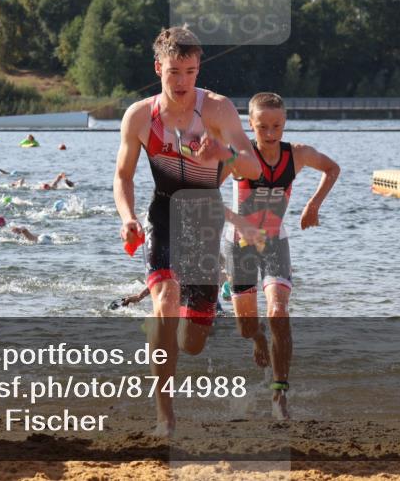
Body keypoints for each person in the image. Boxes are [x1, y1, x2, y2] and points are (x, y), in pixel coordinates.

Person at [113, 25, 261, 436]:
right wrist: (126, 216)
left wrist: (223, 154)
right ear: (157, 67)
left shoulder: (216, 109)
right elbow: (123, 176)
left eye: (190, 72)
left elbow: (253, 167)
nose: (182, 82)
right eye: (174, 72)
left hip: (204, 217)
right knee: (164, 298)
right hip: (162, 213)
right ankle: (166, 418)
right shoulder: (140, 116)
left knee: (192, 341)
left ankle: (187, 320)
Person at [224, 92, 340, 420]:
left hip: (275, 242)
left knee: (279, 312)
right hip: (239, 245)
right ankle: (257, 338)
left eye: (277, 126)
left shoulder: (298, 155)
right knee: (247, 327)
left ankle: (279, 395)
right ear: (251, 125)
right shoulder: (239, 156)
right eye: (263, 127)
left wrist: (313, 205)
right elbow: (204, 193)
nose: (271, 133)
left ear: (285, 123)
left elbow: (332, 169)